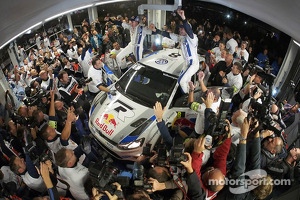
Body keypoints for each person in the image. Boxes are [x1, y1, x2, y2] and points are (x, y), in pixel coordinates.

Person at [151, 9, 199, 94]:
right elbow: (168, 34)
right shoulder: (181, 37)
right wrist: (156, 30)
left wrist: (183, 18)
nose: (180, 30)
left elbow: (189, 30)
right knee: (185, 81)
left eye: (182, 29)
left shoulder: (193, 38)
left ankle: (186, 97)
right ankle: (190, 93)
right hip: (187, 63)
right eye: (180, 29)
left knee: (181, 81)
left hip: (193, 63)